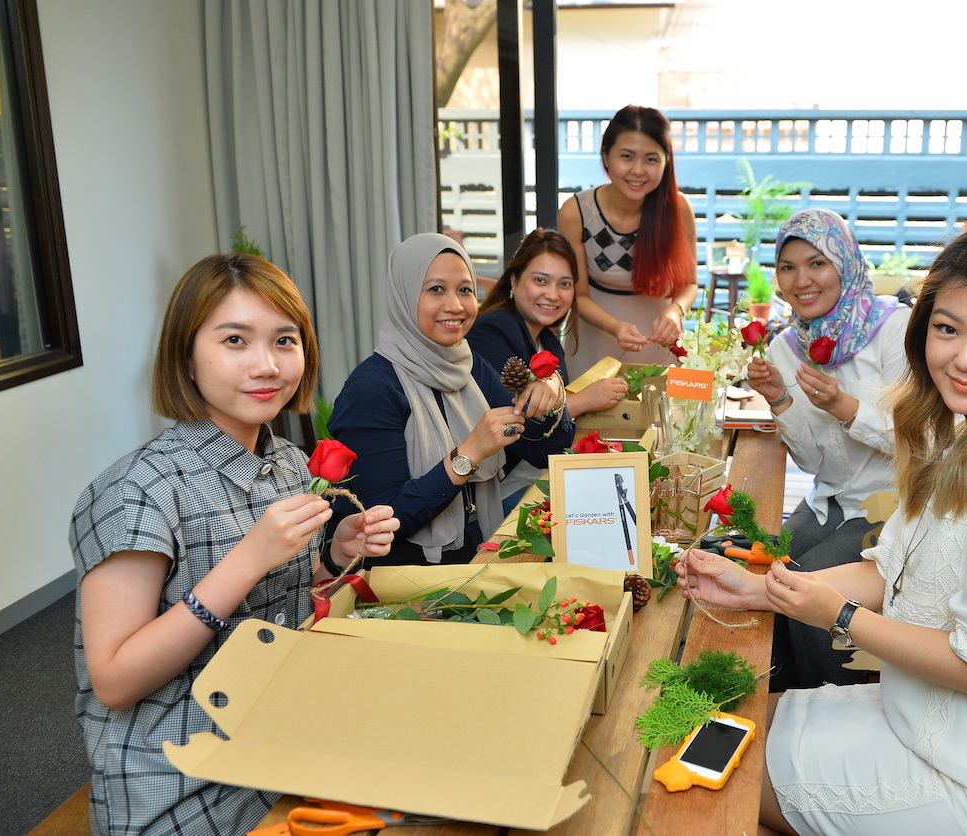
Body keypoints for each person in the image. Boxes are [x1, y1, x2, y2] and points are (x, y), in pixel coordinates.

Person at [679, 222, 967, 836]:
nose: (964, 357)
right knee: (716, 730)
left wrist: (837, 615)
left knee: (709, 779)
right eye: (947, 328)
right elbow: (889, 567)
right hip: (917, 720)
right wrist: (759, 591)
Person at [70, 253, 400, 836]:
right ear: (187, 359)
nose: (267, 365)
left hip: (279, 744)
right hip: (182, 786)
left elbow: (278, 604)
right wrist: (248, 559)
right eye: (235, 340)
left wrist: (332, 554)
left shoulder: (287, 462)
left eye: (284, 340)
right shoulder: (136, 489)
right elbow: (115, 679)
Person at [330, 233, 575, 566]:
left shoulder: (469, 364)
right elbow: (382, 523)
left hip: (474, 546)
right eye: (435, 289)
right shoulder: (371, 389)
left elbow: (541, 448)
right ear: (404, 294)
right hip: (409, 576)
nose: (456, 305)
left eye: (464, 289)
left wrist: (554, 395)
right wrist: (468, 455)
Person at [744, 208, 910, 689]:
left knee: (806, 587)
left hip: (896, 501)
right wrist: (778, 398)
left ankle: (837, 710)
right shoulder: (786, 347)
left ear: (845, 262)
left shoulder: (895, 329)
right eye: (788, 267)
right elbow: (814, 463)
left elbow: (919, 442)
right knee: (764, 564)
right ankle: (778, 702)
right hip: (830, 499)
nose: (802, 280)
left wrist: (844, 405)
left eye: (817, 263)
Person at [467, 228, 629, 506]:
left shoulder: (548, 340)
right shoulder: (492, 330)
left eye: (564, 284)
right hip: (492, 489)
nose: (553, 295)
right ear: (514, 281)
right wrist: (582, 401)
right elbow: (524, 437)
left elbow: (557, 439)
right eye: (541, 280)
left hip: (530, 472)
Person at [558, 104, 698, 372]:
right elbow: (578, 295)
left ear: (666, 162)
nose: (638, 170)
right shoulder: (576, 212)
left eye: (651, 159)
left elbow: (690, 283)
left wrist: (675, 311)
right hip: (595, 343)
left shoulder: (678, 209)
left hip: (658, 344)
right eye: (627, 156)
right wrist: (614, 327)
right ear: (606, 156)